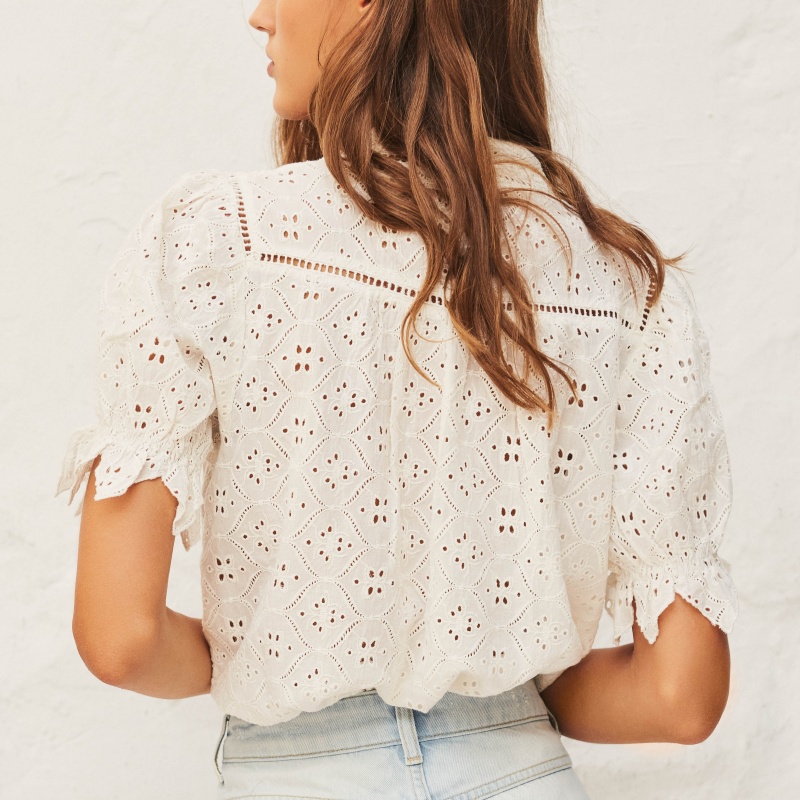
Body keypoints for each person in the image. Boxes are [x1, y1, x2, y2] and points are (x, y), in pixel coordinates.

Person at [55, 0, 738, 797]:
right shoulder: (626, 286)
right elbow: (679, 696)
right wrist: (504, 697)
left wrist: (273, 657)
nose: (259, 15)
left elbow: (120, 640)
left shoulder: (216, 241)